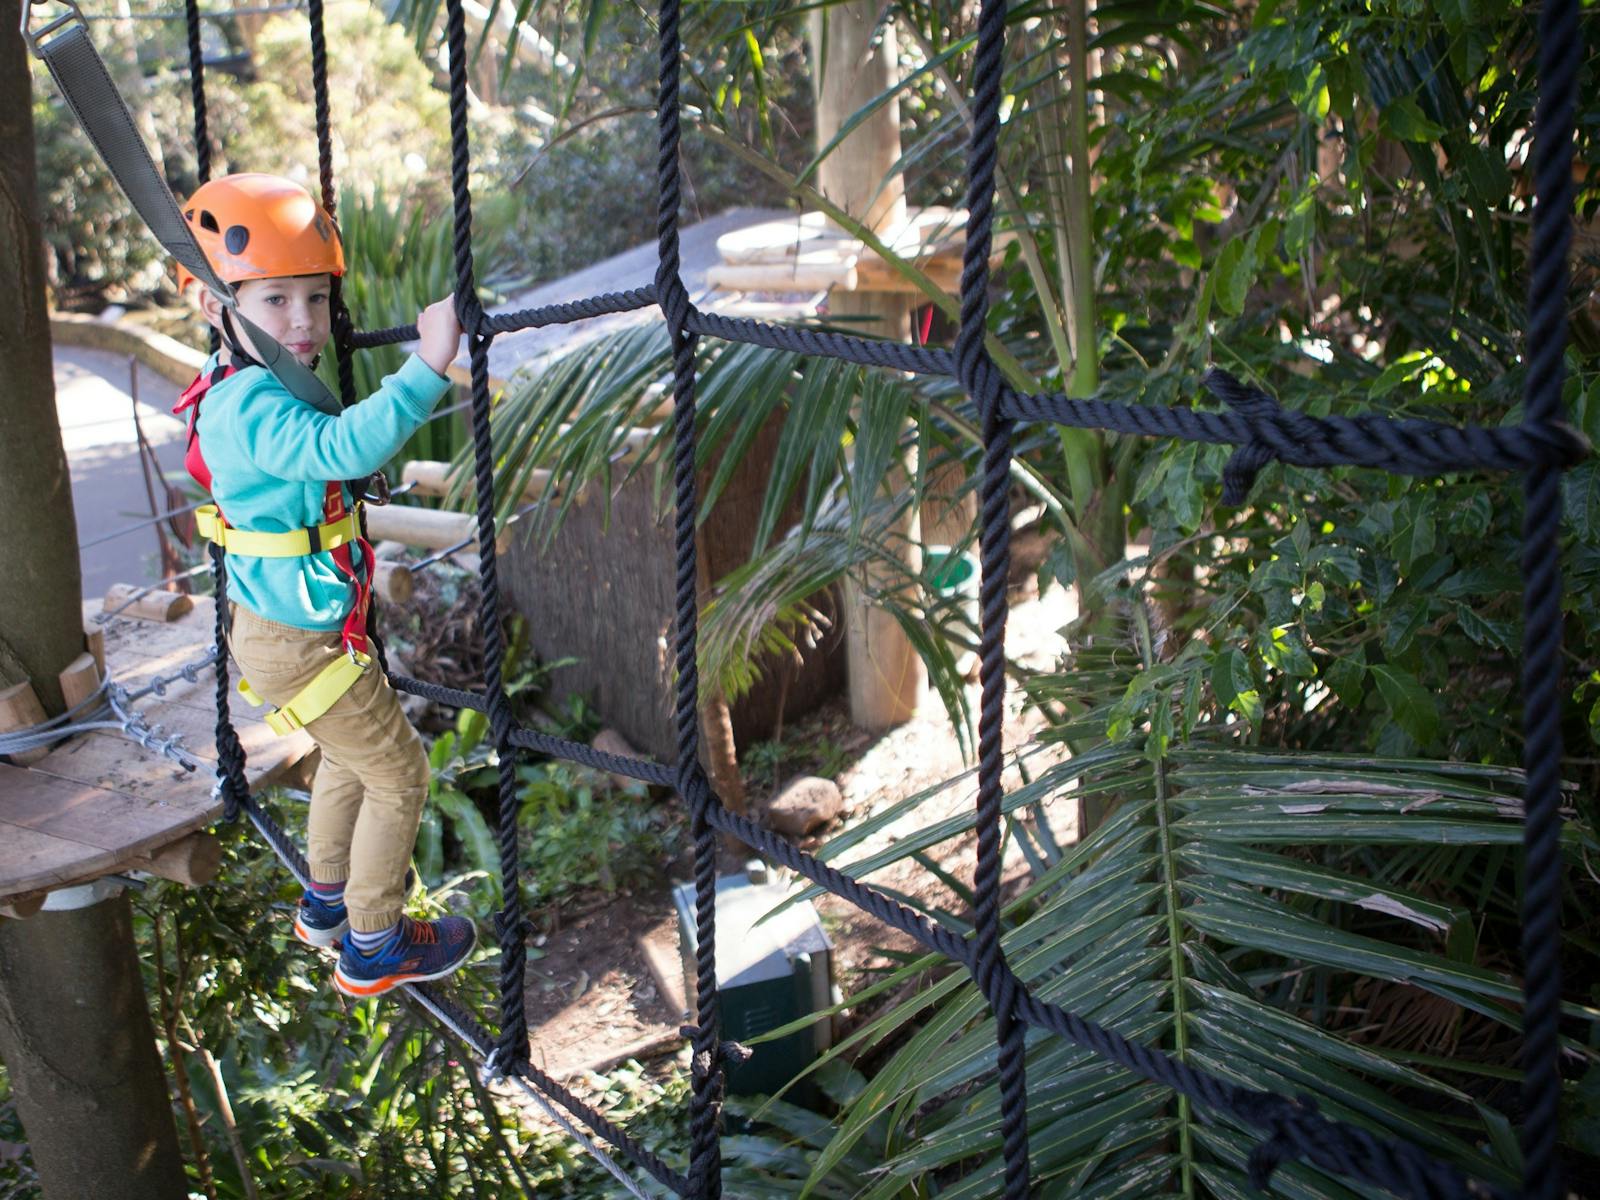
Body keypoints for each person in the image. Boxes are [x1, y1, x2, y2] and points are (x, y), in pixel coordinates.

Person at [173, 172, 474, 997]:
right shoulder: (249, 407)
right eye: (276, 301)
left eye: (314, 297)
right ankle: (374, 942)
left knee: (350, 757)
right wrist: (430, 361)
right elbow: (343, 449)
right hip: (296, 639)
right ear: (215, 306)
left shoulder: (246, 384)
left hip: (292, 629)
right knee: (400, 771)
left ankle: (327, 902)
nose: (303, 322)